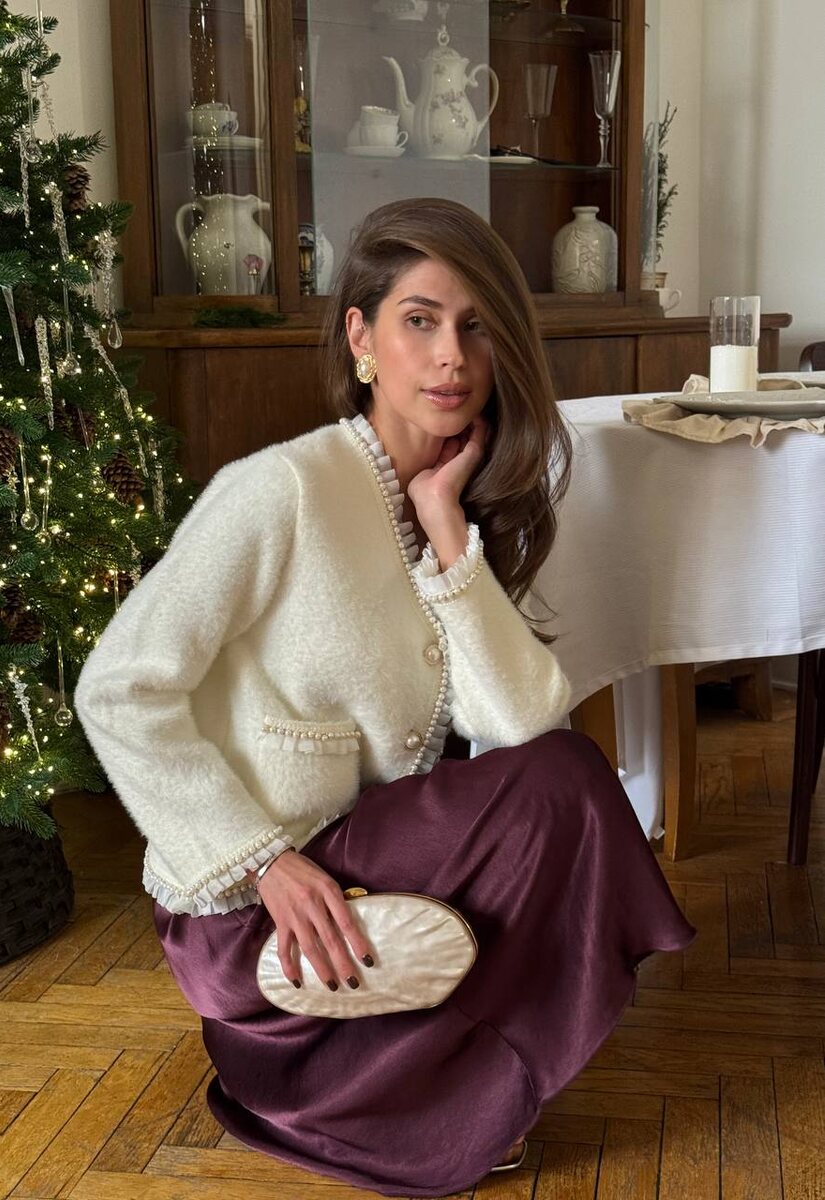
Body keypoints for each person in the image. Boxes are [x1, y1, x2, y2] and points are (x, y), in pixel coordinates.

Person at [74, 197, 696, 1197]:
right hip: (250, 909)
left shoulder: (442, 500)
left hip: (358, 861)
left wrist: (445, 528)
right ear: (361, 338)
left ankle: (437, 1097)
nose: (451, 355)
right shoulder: (281, 488)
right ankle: (373, 1094)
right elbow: (118, 687)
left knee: (554, 776)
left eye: (476, 326)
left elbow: (517, 720)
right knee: (559, 786)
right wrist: (260, 860)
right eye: (419, 320)